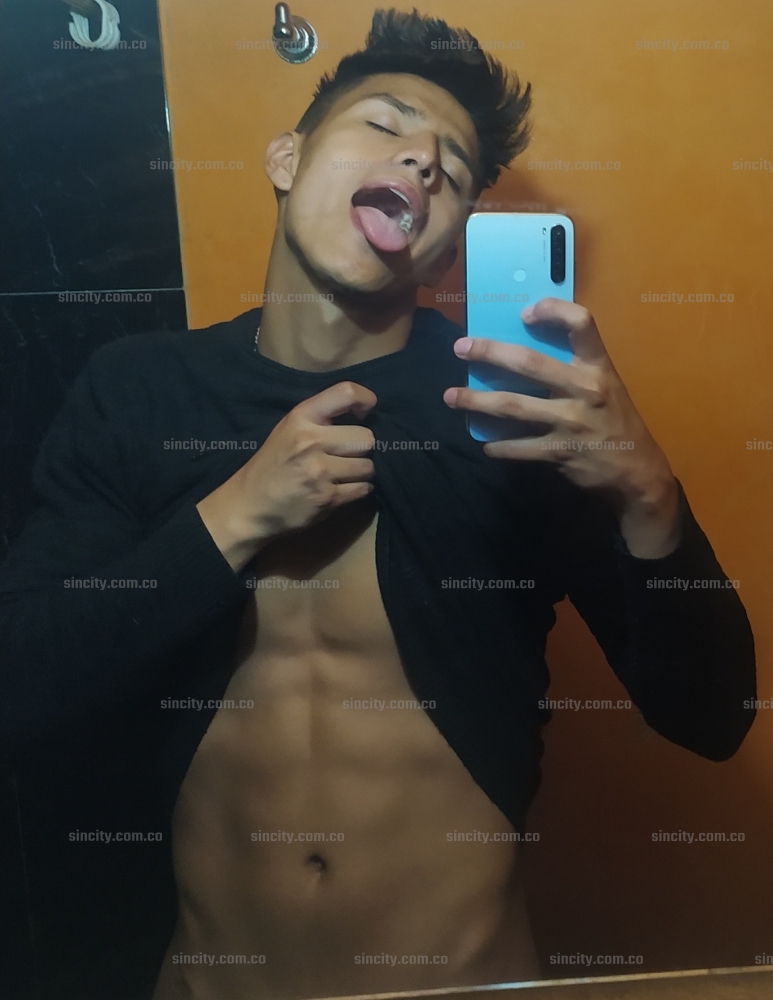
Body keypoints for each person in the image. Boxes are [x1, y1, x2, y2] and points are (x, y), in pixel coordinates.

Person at [0, 9, 755, 1000]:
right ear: (286, 159)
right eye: (384, 123)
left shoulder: (513, 411)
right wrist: (236, 517)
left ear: (444, 252)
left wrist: (647, 490)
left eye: (453, 166)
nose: (423, 160)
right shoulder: (140, 392)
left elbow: (711, 718)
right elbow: (25, 691)